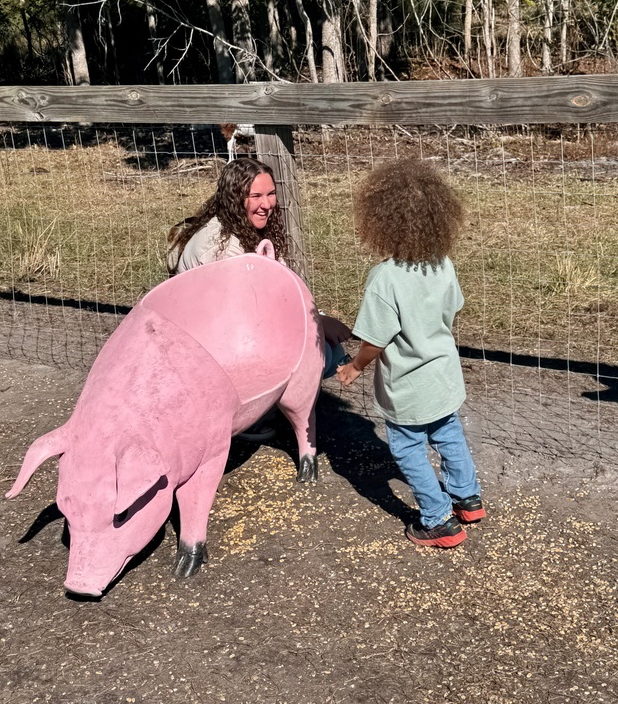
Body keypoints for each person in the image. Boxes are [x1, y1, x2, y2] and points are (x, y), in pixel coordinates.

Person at [336, 159, 484, 549]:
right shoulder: (442, 263)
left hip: (408, 387)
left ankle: (438, 520)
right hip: (444, 375)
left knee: (406, 446)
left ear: (380, 221)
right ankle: (467, 498)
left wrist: (354, 366)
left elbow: (376, 339)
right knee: (448, 433)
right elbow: (452, 308)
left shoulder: (385, 278)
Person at [167, 158, 351, 417]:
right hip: (208, 346)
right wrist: (316, 325)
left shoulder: (246, 229)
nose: (266, 204)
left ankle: (263, 408)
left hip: (231, 333)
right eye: (256, 196)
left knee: (330, 350)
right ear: (234, 199)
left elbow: (281, 288)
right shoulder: (223, 249)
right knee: (318, 353)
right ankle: (247, 415)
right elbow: (247, 316)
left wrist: (315, 319)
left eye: (271, 194)